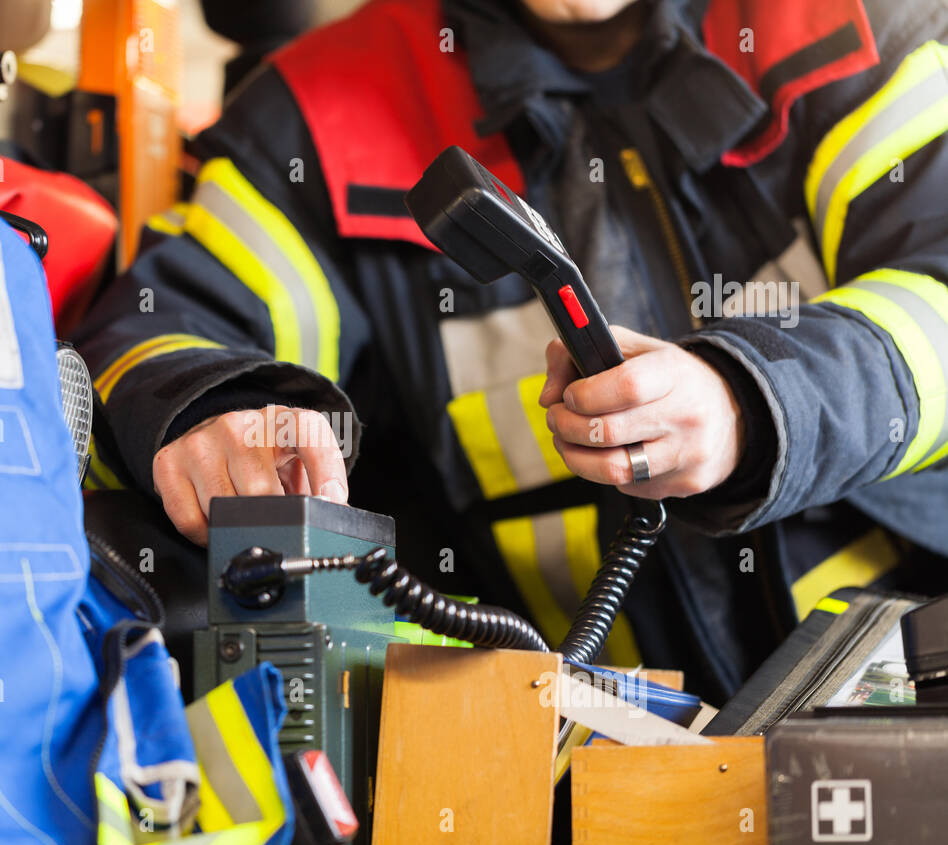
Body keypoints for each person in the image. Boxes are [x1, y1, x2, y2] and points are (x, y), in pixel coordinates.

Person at [76, 0, 948, 702]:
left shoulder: (851, 27)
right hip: (563, 756)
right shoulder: (319, 112)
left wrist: (749, 400)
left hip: (908, 680)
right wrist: (210, 410)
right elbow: (162, 324)